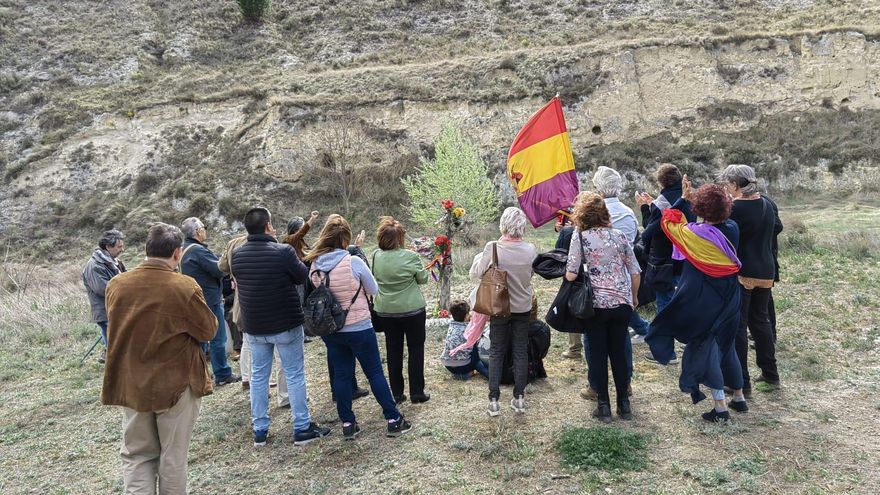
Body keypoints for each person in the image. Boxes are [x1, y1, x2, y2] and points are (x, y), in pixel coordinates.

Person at [101, 223, 217, 494]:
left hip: (131, 382)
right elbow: (208, 329)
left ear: (146, 250)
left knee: (136, 455)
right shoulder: (183, 286)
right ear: (178, 254)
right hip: (176, 383)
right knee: (172, 457)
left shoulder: (116, 285)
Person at [645, 178, 749, 422]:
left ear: (699, 209)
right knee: (727, 344)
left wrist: (683, 197)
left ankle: (721, 409)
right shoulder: (732, 228)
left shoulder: (693, 235)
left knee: (705, 346)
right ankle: (739, 398)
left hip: (705, 298)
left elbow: (668, 221)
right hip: (731, 295)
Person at [304, 214, 413, 439]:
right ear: (346, 238)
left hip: (332, 329)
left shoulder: (315, 265)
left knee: (342, 375)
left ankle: (347, 423)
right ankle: (393, 418)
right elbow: (373, 290)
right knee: (374, 372)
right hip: (359, 326)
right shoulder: (353, 261)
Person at [231, 207, 330, 447]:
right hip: (285, 323)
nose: (275, 229)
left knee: (258, 376)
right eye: (272, 225)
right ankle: (301, 427)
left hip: (254, 327)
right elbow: (301, 276)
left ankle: (260, 430)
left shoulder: (238, 255)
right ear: (267, 227)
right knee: (294, 373)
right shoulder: (283, 251)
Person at [565, 193, 640, 422]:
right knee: (618, 353)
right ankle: (624, 405)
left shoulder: (580, 237)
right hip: (621, 302)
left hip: (595, 304)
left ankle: (604, 406)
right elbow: (635, 271)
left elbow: (570, 273)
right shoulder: (619, 236)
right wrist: (633, 298)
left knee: (597, 355)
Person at [284, 212, 370, 403]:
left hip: (323, 303)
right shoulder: (290, 245)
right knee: (345, 356)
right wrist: (311, 221)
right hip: (330, 306)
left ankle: (343, 390)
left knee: (336, 353)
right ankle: (346, 389)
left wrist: (354, 247)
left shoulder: (311, 252)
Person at [722, 164, 784, 395]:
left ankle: (741, 382)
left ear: (735, 185)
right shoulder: (767, 204)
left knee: (739, 326)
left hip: (743, 271)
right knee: (761, 322)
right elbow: (777, 227)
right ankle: (771, 374)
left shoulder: (734, 208)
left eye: (727, 184)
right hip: (766, 269)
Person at [472, 207, 537, 417]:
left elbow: (478, 273)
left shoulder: (493, 248)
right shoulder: (530, 250)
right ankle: (519, 398)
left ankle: (493, 400)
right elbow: (531, 274)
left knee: (496, 352)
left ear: (503, 225)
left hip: (499, 307)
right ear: (522, 226)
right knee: (520, 351)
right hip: (523, 307)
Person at [635, 163, 695, 363]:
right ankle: (693, 344)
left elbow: (651, 229)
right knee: (686, 303)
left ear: (660, 182)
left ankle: (666, 352)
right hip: (686, 257)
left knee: (665, 305)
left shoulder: (662, 203)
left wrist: (645, 208)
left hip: (664, 261)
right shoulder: (690, 199)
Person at [371, 216, 431, 404]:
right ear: (400, 238)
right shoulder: (410, 256)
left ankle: (396, 393)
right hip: (412, 309)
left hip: (386, 310)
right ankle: (417, 392)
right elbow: (423, 279)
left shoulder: (375, 255)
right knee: (416, 348)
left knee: (393, 350)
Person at [180, 217, 240, 386]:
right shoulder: (198, 251)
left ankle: (201, 375)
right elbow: (219, 269)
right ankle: (222, 374)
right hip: (210, 300)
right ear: (198, 231)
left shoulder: (183, 250)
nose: (205, 230)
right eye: (203, 227)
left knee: (199, 340)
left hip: (192, 301)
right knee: (217, 338)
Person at [82, 229, 127, 364]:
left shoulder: (115, 262)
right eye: (119, 247)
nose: (122, 249)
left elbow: (127, 277)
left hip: (116, 308)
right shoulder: (94, 266)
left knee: (117, 341)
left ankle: (113, 360)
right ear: (108, 247)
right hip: (105, 311)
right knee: (114, 342)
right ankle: (114, 366)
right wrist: (127, 289)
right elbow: (104, 289)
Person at [218, 233, 249, 389]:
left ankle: (246, 377)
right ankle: (253, 379)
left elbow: (221, 266)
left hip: (238, 297)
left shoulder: (231, 244)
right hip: (252, 298)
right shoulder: (250, 243)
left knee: (248, 343)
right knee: (254, 343)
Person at [441, 300, 489, 380]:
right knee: (476, 349)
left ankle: (461, 375)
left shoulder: (451, 326)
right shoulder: (469, 329)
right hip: (463, 365)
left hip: (448, 364)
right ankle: (489, 374)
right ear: (466, 315)